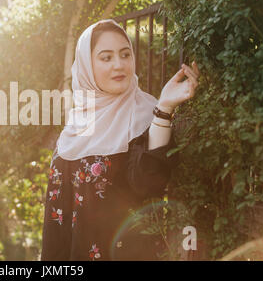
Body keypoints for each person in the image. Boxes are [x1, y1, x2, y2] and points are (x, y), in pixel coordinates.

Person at [41, 19, 200, 261]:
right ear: (87, 66)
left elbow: (147, 183)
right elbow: (56, 225)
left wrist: (165, 108)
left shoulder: (148, 113)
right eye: (106, 58)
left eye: (125, 55)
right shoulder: (75, 125)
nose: (119, 65)